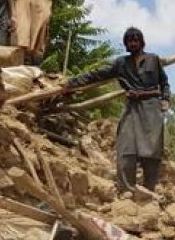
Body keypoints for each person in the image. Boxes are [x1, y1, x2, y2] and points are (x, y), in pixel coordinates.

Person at [64, 28, 169, 192]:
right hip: (132, 107)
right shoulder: (121, 63)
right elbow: (98, 74)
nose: (133, 43)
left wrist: (166, 100)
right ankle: (126, 189)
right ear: (126, 44)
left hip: (152, 107)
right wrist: (72, 82)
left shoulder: (153, 59)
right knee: (126, 146)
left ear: (141, 42)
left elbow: (164, 82)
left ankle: (149, 190)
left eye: (136, 40)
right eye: (129, 41)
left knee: (152, 150)